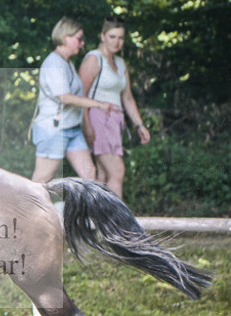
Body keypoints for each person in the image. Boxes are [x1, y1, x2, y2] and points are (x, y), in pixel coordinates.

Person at [30, 17, 120, 185]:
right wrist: (98, 104)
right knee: (41, 178)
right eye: (79, 38)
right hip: (53, 129)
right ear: (65, 37)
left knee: (89, 174)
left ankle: (86, 212)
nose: (82, 43)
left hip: (72, 129)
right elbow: (65, 98)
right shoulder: (53, 63)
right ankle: (20, 210)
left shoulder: (67, 63)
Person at [78, 15, 151, 199]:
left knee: (102, 175)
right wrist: (87, 126)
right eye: (112, 37)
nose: (117, 42)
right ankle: (117, 225)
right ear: (103, 36)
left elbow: (127, 97)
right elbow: (80, 95)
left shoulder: (120, 62)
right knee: (117, 170)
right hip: (97, 118)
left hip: (116, 122)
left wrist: (139, 125)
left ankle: (96, 223)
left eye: (120, 38)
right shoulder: (94, 59)